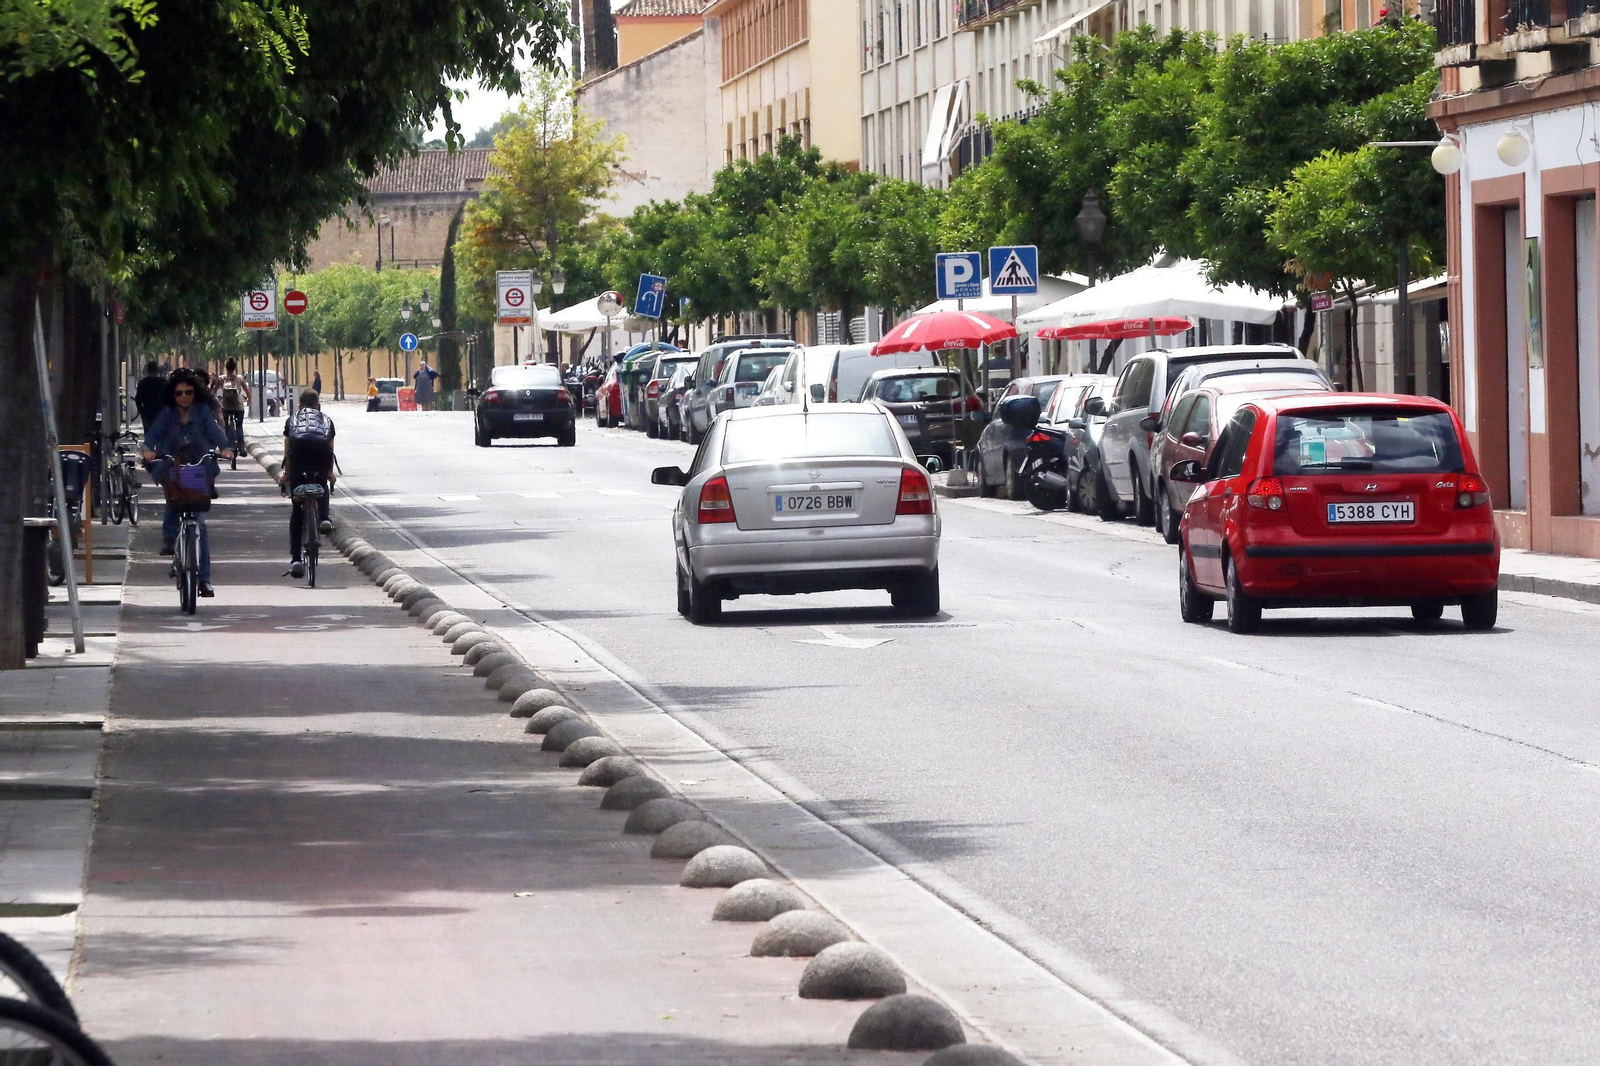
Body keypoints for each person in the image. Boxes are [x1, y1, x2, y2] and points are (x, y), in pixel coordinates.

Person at [141, 369, 233, 597]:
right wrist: (148, 451)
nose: (183, 396)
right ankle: (170, 538)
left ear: (195, 393)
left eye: (188, 392)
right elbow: (152, 436)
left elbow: (215, 431)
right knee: (174, 502)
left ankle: (204, 580)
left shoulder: (202, 412)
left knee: (199, 524)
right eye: (179, 393)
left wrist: (226, 448)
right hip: (173, 467)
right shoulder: (166, 414)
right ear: (173, 395)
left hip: (199, 469)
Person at [278, 389, 336, 579]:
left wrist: (286, 474)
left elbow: (288, 449)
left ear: (300, 406)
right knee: (323, 483)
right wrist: (329, 473)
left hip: (299, 460)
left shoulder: (292, 419)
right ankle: (324, 517)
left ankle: (296, 559)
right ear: (318, 405)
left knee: (297, 511)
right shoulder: (326, 419)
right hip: (321, 457)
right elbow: (330, 447)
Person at [216, 358, 251, 453]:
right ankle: (241, 447)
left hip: (226, 407)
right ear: (235, 367)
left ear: (226, 367)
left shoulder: (221, 378)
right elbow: (247, 392)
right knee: (239, 426)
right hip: (238, 406)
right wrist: (248, 399)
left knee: (226, 426)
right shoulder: (239, 378)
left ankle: (227, 446)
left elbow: (213, 392)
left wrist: (217, 400)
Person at [134, 360, 167, 428]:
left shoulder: (142, 383)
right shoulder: (163, 382)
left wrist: (142, 413)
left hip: (148, 414)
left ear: (148, 370)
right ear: (157, 370)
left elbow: (138, 400)